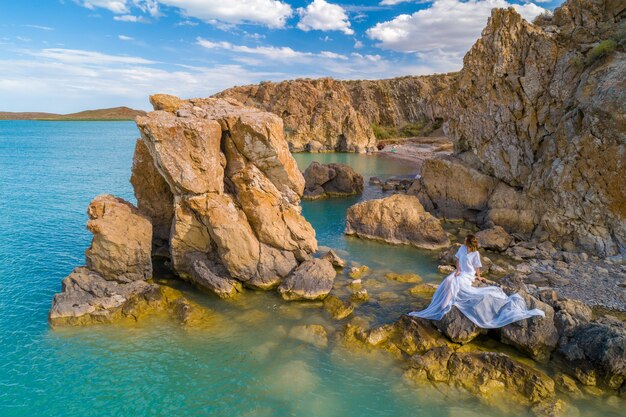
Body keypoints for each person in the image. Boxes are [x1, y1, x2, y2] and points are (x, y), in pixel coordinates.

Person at [408, 234, 545, 328]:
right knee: (448, 280)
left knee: (455, 283)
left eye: (465, 240)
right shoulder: (462, 248)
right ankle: (439, 302)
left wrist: (478, 277)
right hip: (461, 271)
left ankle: (444, 305)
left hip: (468, 275)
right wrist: (457, 269)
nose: (463, 241)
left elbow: (477, 267)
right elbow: (456, 259)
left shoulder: (475, 253)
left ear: (468, 243)